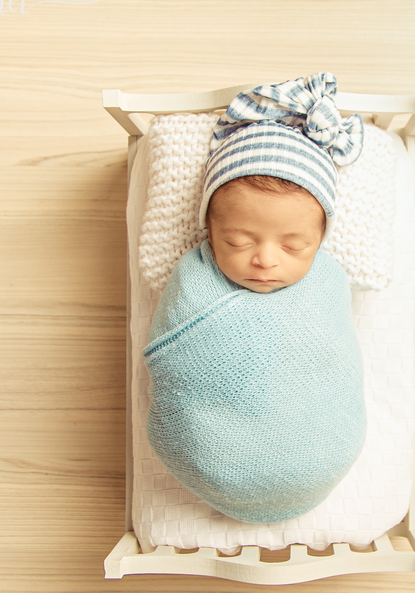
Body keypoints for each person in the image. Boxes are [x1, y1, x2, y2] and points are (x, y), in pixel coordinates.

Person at [142, 73, 368, 524]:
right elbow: (173, 356)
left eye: (293, 246)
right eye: (239, 240)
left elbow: (333, 357)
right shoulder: (194, 277)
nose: (265, 260)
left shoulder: (326, 283)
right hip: (207, 446)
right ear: (209, 230)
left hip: (318, 453)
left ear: (321, 239)